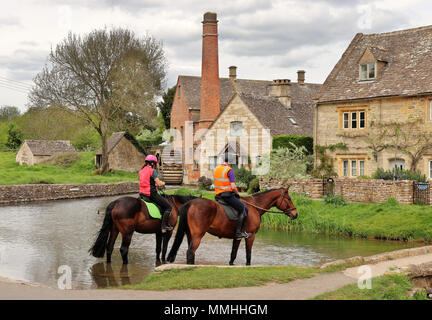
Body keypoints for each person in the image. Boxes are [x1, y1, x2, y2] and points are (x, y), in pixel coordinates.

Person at [213, 155, 251, 240]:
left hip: (218, 195)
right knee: (243, 209)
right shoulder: (229, 170)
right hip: (227, 196)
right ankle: (238, 233)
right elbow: (233, 187)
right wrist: (237, 194)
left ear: (223, 160)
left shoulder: (216, 169)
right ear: (229, 162)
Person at [139, 155, 173, 233]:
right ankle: (164, 226)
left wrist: (155, 185)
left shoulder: (141, 171)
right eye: (155, 164)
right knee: (168, 207)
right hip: (151, 194)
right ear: (152, 163)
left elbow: (146, 182)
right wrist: (163, 183)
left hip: (142, 194)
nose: (155, 165)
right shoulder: (152, 171)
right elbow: (159, 183)